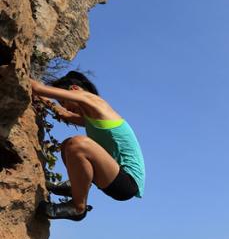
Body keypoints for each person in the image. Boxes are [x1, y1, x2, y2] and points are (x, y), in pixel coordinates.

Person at [31, 71, 145, 221]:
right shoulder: (90, 117)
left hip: (128, 182)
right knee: (67, 145)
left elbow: (38, 88)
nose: (66, 107)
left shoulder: (94, 101)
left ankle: (78, 208)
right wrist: (42, 99)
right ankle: (74, 187)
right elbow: (64, 114)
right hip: (111, 177)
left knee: (77, 144)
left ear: (75, 89)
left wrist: (20, 72)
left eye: (64, 101)